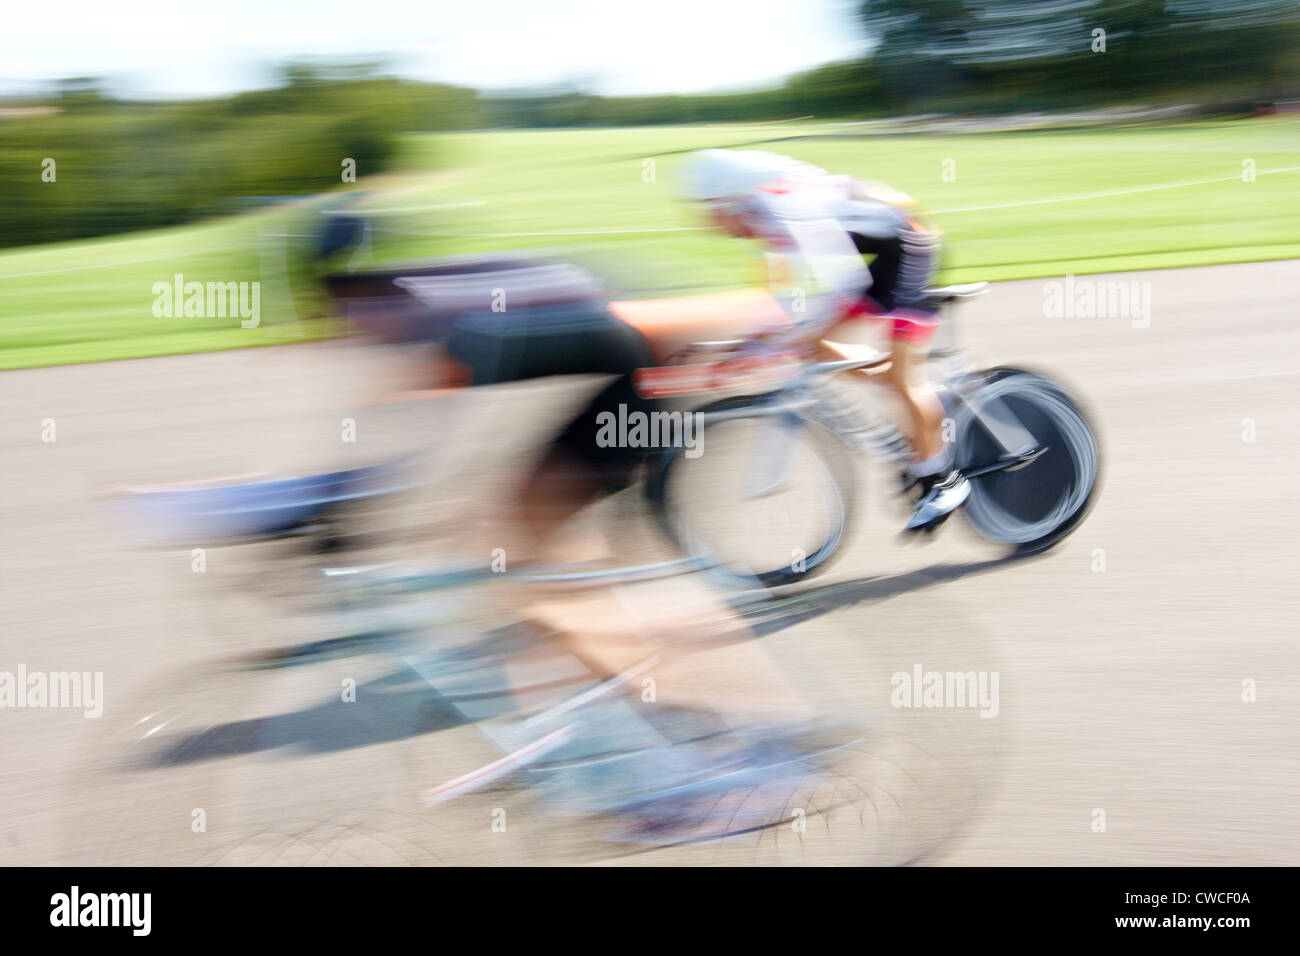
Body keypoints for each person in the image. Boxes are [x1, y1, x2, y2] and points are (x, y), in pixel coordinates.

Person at [679, 148, 970, 532]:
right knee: (810, 346)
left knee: (897, 376)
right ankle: (908, 399)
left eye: (711, 211)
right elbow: (782, 298)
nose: (709, 224)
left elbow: (841, 283)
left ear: (734, 198)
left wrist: (782, 337)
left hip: (912, 245)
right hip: (883, 256)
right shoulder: (763, 217)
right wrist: (755, 343)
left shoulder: (788, 209)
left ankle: (943, 479)